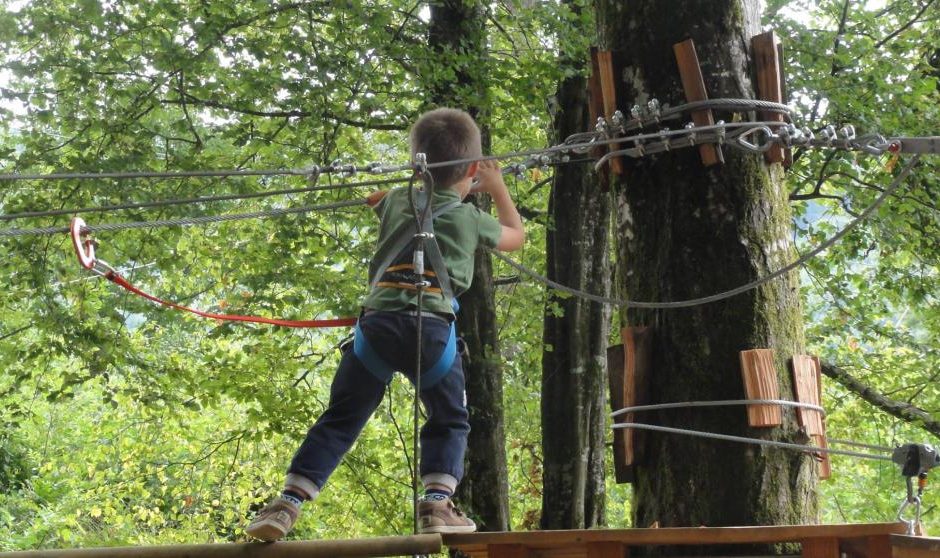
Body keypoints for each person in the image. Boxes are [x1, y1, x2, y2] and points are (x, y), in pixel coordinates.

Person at [246, 107, 524, 541]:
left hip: (375, 331)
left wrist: (388, 195)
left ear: (417, 164)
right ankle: (436, 504)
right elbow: (515, 236)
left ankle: (288, 503)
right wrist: (497, 186)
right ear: (471, 169)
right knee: (449, 418)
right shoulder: (472, 218)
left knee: (341, 418)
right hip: (431, 334)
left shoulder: (396, 199)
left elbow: (386, 201)